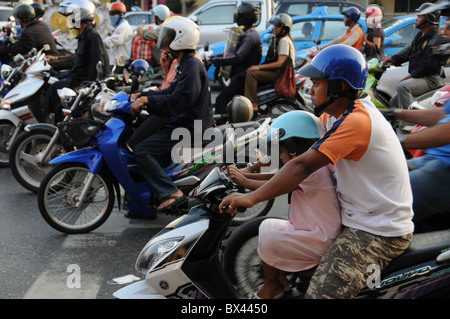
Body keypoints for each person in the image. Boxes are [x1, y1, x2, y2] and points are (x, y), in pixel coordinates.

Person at [220, 44, 414, 299]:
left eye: (316, 84)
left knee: (321, 294)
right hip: (354, 217)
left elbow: (301, 165)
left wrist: (252, 197)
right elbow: (295, 150)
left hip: (376, 230)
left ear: (338, 87)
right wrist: (251, 169)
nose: (310, 90)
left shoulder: (356, 121)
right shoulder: (333, 116)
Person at [226, 111, 341, 299]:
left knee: (270, 238)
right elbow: (280, 177)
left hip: (320, 239)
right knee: (267, 227)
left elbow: (277, 183)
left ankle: (272, 287)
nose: (279, 157)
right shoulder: (314, 166)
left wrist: (247, 184)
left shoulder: (313, 172)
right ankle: (279, 280)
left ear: (295, 147)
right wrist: (244, 176)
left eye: (281, 151)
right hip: (313, 231)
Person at [130, 17, 213, 212]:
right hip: (182, 123)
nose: (165, 42)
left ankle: (171, 192)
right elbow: (170, 91)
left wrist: (148, 101)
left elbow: (181, 100)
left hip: (189, 127)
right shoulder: (184, 63)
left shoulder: (191, 66)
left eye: (169, 37)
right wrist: (143, 95)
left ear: (181, 39)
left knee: (141, 150)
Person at [384, 1, 450, 227]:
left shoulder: (433, 40)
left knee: (387, 207)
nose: (445, 32)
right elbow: (441, 115)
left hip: (444, 170)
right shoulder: (420, 37)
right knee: (384, 177)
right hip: (434, 159)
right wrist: (395, 114)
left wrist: (399, 139)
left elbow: (448, 130)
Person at [42, 0, 109, 123]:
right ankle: (43, 126)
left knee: (57, 99)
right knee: (52, 87)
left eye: (71, 17)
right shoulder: (82, 36)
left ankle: (45, 129)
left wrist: (87, 87)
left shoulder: (92, 36)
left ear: (80, 16)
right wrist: (55, 61)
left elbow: (97, 64)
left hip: (82, 84)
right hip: (74, 79)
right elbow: (76, 59)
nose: (69, 20)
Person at [383, 3, 448, 109]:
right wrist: (392, 59)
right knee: (394, 102)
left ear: (429, 18)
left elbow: (427, 65)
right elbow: (409, 51)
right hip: (421, 77)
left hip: (430, 79)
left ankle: (408, 124)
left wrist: (411, 76)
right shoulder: (421, 35)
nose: (416, 19)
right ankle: (397, 123)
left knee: (403, 87)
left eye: (419, 16)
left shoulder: (435, 38)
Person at [211, 2, 262, 115]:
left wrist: (217, 61)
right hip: (239, 75)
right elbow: (232, 52)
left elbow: (239, 57)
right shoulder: (248, 33)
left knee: (221, 100)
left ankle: (222, 127)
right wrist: (216, 57)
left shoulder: (250, 36)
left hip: (242, 77)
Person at [244, 13, 295, 112]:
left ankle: (253, 104)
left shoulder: (284, 41)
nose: (274, 28)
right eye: (275, 26)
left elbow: (280, 63)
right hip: (278, 72)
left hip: (281, 74)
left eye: (278, 26)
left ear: (284, 29)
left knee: (251, 74)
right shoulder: (279, 39)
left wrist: (258, 67)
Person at [103, 1, 134, 70]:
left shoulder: (123, 26)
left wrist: (99, 42)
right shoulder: (119, 26)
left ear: (121, 15)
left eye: (113, 14)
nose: (111, 16)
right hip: (117, 59)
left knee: (114, 78)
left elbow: (112, 41)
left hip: (120, 61)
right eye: (110, 14)